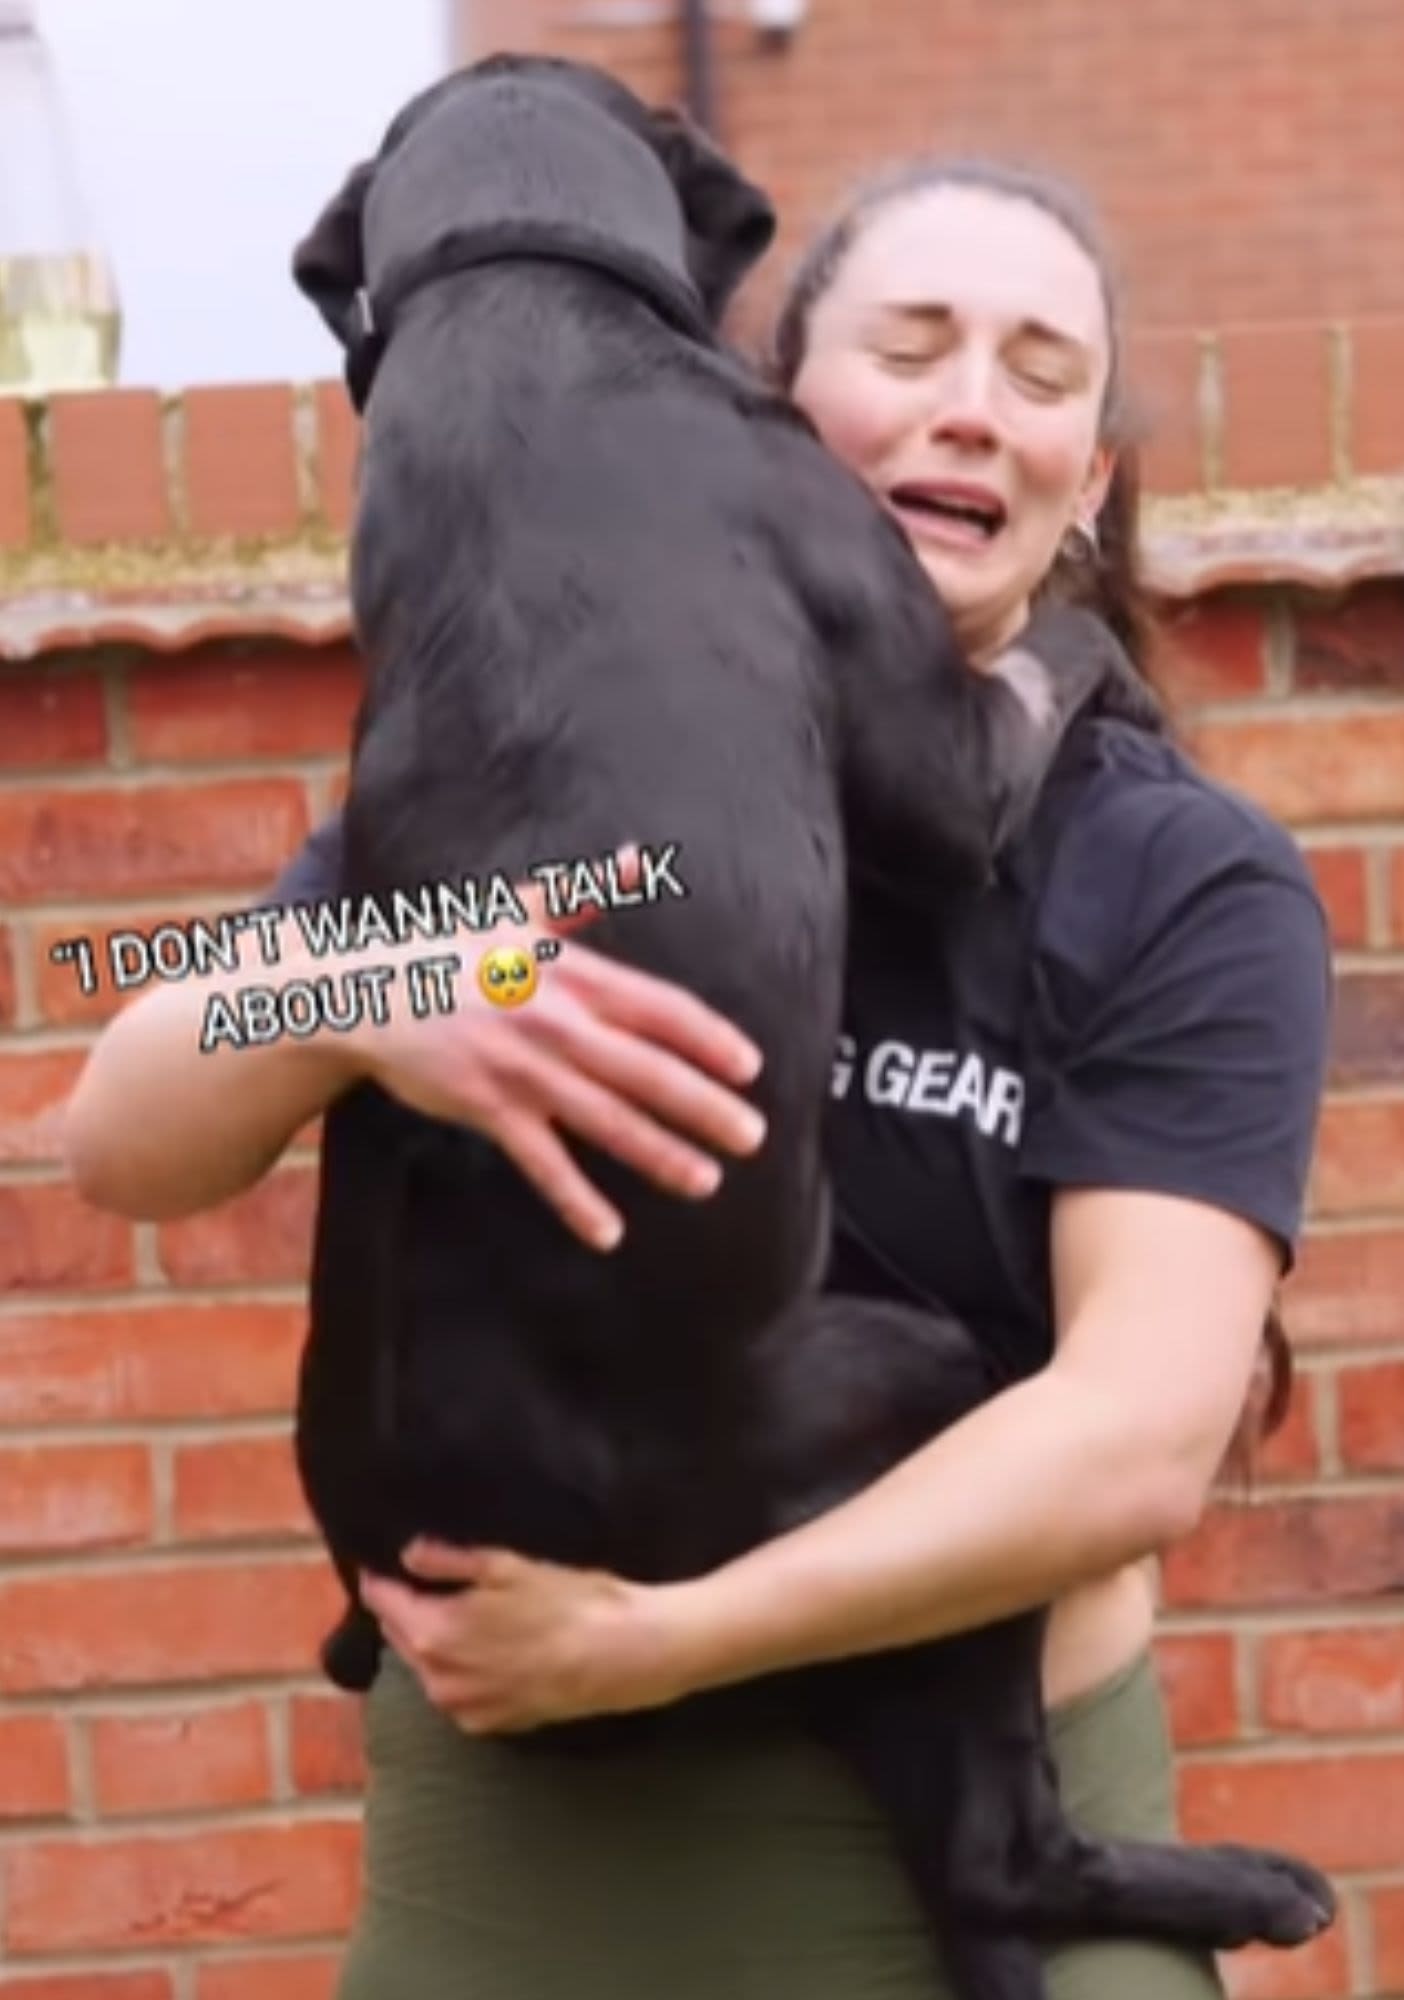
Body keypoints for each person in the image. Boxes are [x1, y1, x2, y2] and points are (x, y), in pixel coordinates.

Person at [59, 157, 1333, 2000]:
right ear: (770, 411)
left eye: (1043, 376)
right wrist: (367, 991)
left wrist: (665, 1637)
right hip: (536, 1864)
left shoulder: (1180, 874)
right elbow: (117, 1131)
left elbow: (1136, 1438)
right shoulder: (548, 754)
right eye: (911, 349)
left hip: (992, 1846)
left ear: (1091, 484)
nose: (973, 405)